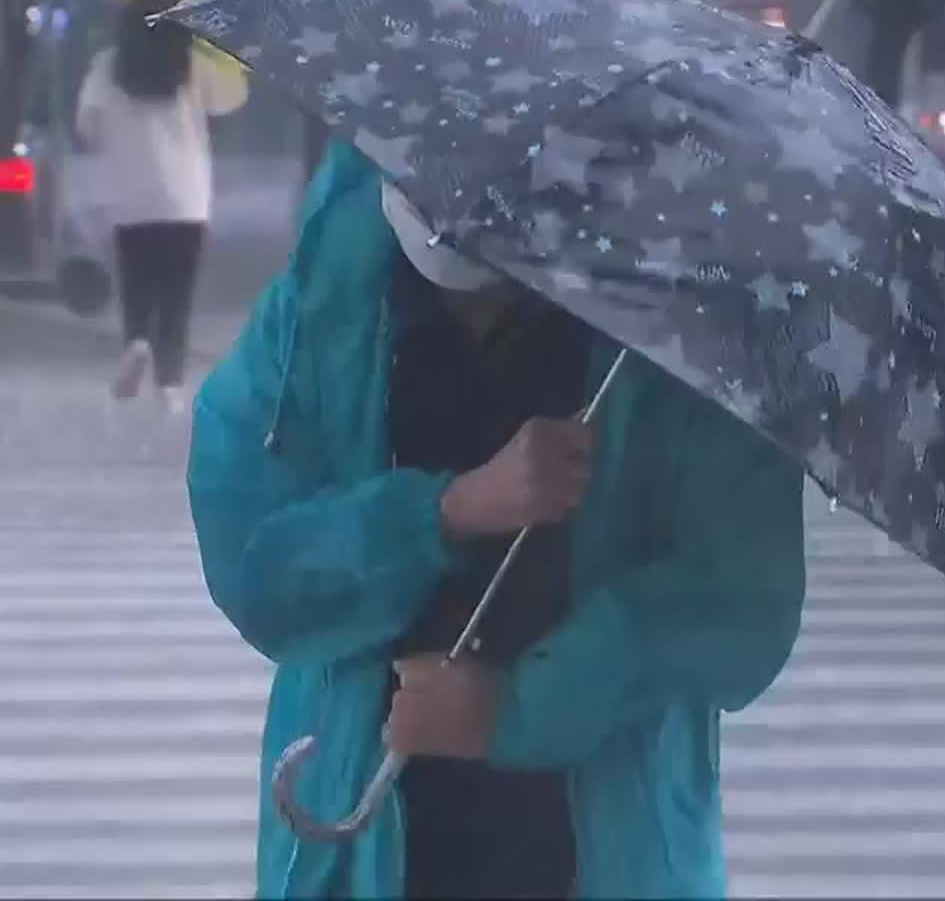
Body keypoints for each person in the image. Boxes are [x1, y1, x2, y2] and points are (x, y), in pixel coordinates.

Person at [186, 138, 807, 898]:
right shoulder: (330, 294)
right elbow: (257, 562)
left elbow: (741, 604)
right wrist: (445, 511)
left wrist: (518, 710)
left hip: (598, 844)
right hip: (369, 827)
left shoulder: (682, 316)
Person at [75, 0, 245, 412]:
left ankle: (136, 342)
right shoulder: (189, 66)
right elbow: (232, 98)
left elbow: (87, 126)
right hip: (185, 198)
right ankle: (169, 385)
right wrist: (210, 45)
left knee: (137, 284)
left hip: (132, 198)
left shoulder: (107, 67)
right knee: (177, 294)